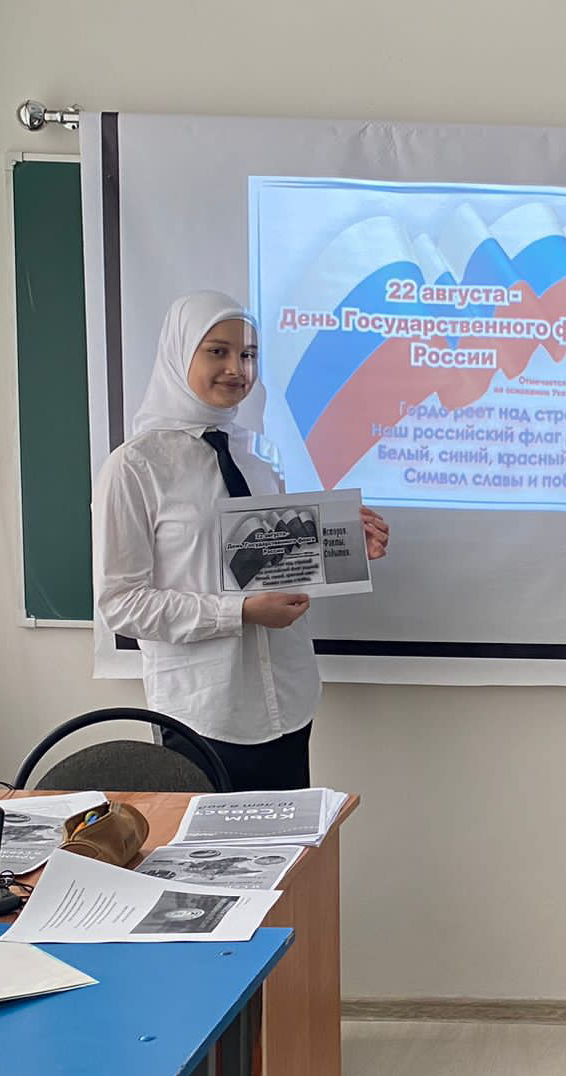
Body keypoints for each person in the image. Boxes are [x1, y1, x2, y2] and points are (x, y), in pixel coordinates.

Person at [94, 290, 390, 797]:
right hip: (202, 713)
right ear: (179, 354)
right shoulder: (135, 467)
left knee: (288, 848)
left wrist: (343, 544)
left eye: (249, 354)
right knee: (206, 849)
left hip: (289, 703)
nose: (237, 368)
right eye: (218, 351)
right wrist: (241, 612)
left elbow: (271, 565)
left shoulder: (259, 455)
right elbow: (121, 604)